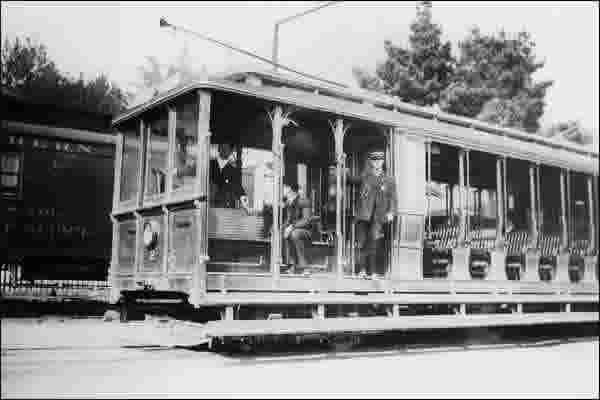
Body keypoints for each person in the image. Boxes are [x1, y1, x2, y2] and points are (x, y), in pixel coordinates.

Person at [347, 150, 397, 279]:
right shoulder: (365, 176)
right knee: (361, 243)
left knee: (374, 244)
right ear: (371, 162)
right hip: (364, 215)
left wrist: (391, 212)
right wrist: (343, 169)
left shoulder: (389, 179)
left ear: (383, 162)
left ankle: (373, 271)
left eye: (379, 160)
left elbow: (393, 198)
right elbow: (351, 180)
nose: (377, 163)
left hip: (378, 217)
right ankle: (362, 270)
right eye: (374, 160)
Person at [209, 142, 249, 213]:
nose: (224, 149)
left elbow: (239, 190)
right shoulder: (208, 165)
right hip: (208, 207)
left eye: (227, 148)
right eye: (222, 146)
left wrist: (246, 206)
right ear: (218, 148)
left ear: (231, 151)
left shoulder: (233, 171)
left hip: (225, 209)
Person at [283, 183, 313, 273]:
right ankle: (290, 265)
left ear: (290, 190)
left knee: (294, 234)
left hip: (306, 231)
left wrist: (291, 227)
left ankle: (304, 267)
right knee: (285, 233)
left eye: (284, 188)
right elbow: (288, 220)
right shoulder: (288, 203)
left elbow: (306, 220)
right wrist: (284, 228)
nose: (282, 191)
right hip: (294, 229)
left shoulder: (304, 201)